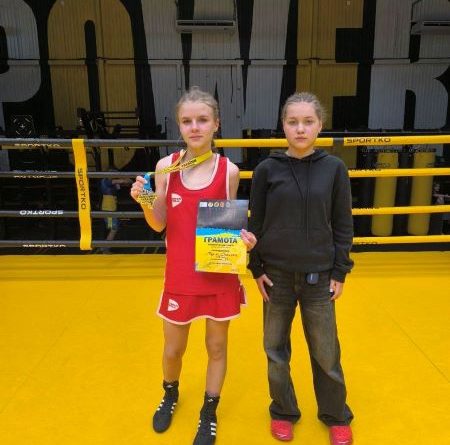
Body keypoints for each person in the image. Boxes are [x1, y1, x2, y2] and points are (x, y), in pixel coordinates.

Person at [130, 86, 256, 445]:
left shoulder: (229, 170)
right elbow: (159, 223)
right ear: (179, 126)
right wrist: (145, 199)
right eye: (187, 121)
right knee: (173, 350)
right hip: (180, 276)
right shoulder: (166, 167)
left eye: (202, 119)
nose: (195, 127)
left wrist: (244, 240)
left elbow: (229, 224)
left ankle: (209, 411)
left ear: (216, 124)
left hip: (217, 275)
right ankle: (170, 393)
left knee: (216, 348)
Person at [248, 92, 354, 445]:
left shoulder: (334, 168)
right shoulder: (266, 170)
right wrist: (256, 267)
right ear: (283, 126)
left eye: (308, 122)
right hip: (275, 277)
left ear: (320, 125)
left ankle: (336, 415)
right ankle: (283, 411)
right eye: (293, 122)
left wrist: (340, 270)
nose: (300, 128)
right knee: (275, 351)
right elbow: (256, 223)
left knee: (326, 353)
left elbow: (343, 223)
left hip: (318, 277)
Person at [99, 175, 130, 253]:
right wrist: (122, 177)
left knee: (111, 228)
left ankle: (104, 247)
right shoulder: (106, 181)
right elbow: (124, 181)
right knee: (113, 229)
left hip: (111, 209)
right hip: (108, 209)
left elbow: (129, 182)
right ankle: (105, 248)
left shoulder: (112, 183)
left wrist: (123, 178)